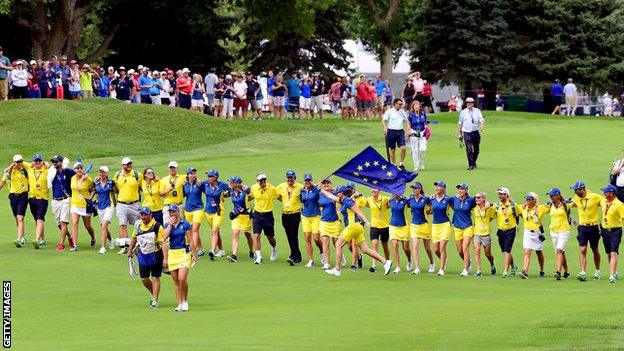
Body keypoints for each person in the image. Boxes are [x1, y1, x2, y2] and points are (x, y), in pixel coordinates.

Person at [320, 185, 393, 277]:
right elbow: (330, 196)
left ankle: (337, 269)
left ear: (342, 193)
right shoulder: (342, 200)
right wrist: (321, 189)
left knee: (338, 244)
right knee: (365, 249)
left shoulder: (349, 202)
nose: (336, 193)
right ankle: (385, 262)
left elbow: (359, 212)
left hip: (353, 226)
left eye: (338, 192)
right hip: (356, 227)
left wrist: (366, 222)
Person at [127, 207, 164, 308]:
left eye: (145, 215)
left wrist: (165, 256)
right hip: (143, 254)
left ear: (150, 215)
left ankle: (155, 299)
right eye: (142, 215)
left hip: (156, 254)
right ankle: (154, 294)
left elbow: (162, 242)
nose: (143, 217)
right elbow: (134, 238)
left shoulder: (157, 226)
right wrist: (130, 250)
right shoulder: (138, 225)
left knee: (155, 277)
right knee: (144, 278)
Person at [162, 205, 195, 311]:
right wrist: (165, 258)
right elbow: (164, 238)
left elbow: (190, 240)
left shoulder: (185, 224)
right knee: (176, 280)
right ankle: (179, 303)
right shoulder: (168, 225)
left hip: (184, 253)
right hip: (172, 253)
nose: (172, 214)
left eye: (173, 212)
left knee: (182, 279)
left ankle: (185, 301)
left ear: (178, 212)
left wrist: (193, 254)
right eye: (170, 212)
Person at [569, 181, 603, 281]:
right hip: (582, 227)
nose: (575, 192)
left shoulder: (594, 196)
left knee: (595, 249)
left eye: (576, 190)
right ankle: (583, 272)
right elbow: (570, 204)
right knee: (583, 249)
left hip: (593, 227)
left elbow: (605, 202)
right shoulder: (576, 198)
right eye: (574, 190)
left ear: (582, 189)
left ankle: (597, 271)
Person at [113, 157, 143, 254]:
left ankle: (139, 245)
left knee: (138, 225)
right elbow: (114, 187)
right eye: (127, 164)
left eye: (130, 163)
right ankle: (125, 247)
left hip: (134, 204)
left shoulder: (137, 175)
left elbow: (143, 187)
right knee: (122, 225)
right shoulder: (118, 175)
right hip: (121, 204)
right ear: (123, 166)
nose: (129, 165)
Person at [248, 173, 279, 264]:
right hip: (257, 215)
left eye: (264, 180)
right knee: (256, 235)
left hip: (268, 215)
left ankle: (274, 248)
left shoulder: (271, 188)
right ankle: (259, 256)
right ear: (257, 181)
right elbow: (250, 197)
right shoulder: (254, 188)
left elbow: (278, 197)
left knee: (270, 237)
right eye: (261, 180)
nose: (263, 182)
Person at [21, 153, 50, 248]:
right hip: (32, 199)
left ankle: (37, 240)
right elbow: (20, 161)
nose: (38, 162)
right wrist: (31, 164)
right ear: (33, 161)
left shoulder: (46, 170)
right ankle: (43, 239)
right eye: (36, 160)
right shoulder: (30, 168)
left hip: (42, 199)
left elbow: (51, 166)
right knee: (37, 220)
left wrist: (46, 163)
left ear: (42, 161)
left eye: (39, 160)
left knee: (40, 219)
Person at [1, 155, 30, 247]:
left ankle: (19, 239)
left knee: (20, 217)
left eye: (21, 161)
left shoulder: (26, 170)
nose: (20, 163)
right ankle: (23, 236)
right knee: (17, 218)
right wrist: (11, 166)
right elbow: (3, 182)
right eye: (17, 162)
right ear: (14, 162)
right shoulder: (10, 171)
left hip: (23, 196)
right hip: (13, 196)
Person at [518, 192, 549, 279]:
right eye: (526, 199)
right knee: (527, 251)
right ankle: (525, 271)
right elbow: (512, 206)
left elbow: (552, 207)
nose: (527, 201)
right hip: (527, 232)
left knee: (539, 252)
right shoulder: (523, 208)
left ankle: (542, 270)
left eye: (529, 199)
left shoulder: (541, 208)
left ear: (534, 200)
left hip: (537, 232)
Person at [276, 170, 304, 265]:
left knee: (293, 234)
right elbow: (276, 194)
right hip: (284, 214)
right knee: (289, 236)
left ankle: (293, 255)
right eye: (288, 177)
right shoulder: (281, 186)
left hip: (295, 214)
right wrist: (284, 201)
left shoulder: (300, 187)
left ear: (295, 178)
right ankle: (297, 256)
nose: (290, 179)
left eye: (291, 177)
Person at [48, 155, 75, 251]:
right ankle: (70, 236)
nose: (55, 163)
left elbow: (79, 173)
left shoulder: (68, 171)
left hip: (65, 200)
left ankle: (61, 243)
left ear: (61, 162)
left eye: (56, 161)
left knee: (64, 222)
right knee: (59, 224)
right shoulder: (52, 172)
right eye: (53, 162)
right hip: (55, 200)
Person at [407, 182, 435, 275]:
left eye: (415, 188)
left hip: (424, 225)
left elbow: (432, 208)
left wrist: (429, 211)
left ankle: (431, 262)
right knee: (415, 246)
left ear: (420, 189)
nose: (413, 190)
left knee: (427, 248)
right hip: (414, 225)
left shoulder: (426, 198)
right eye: (413, 188)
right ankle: (417, 268)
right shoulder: (410, 198)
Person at [599, 185, 624, 283]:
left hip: (615, 231)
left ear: (611, 193)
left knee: (614, 252)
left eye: (605, 192)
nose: (604, 193)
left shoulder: (619, 204)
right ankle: (615, 271)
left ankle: (612, 275)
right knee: (609, 253)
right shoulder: (603, 201)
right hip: (605, 231)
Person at [494, 187, 521, 278]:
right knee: (505, 251)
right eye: (499, 194)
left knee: (507, 251)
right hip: (500, 230)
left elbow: (520, 214)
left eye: (501, 194)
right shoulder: (497, 205)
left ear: (506, 195)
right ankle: (513, 265)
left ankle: (505, 271)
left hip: (511, 230)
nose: (500, 196)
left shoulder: (513, 205)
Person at [69, 161, 96, 252]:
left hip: (85, 205)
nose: (79, 169)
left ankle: (93, 238)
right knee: (75, 223)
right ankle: (74, 245)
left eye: (80, 168)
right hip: (74, 205)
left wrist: (90, 197)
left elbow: (93, 189)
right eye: (77, 168)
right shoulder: (72, 178)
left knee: (87, 226)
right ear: (74, 170)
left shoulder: (88, 179)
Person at [450, 183, 476, 276]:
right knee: (460, 251)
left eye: (462, 189)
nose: (460, 190)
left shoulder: (471, 200)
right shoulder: (453, 199)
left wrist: (489, 204)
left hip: (468, 226)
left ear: (466, 191)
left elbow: (481, 202)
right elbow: (443, 198)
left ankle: (465, 269)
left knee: (465, 247)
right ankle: (468, 262)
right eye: (458, 189)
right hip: (457, 227)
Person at [546, 188, 572, 280]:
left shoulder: (565, 204)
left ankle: (558, 271)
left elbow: (577, 203)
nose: (551, 197)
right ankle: (567, 272)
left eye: (552, 195)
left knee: (559, 251)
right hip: (553, 231)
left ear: (558, 195)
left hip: (564, 230)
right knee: (561, 252)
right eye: (550, 196)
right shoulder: (549, 205)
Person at [363, 188, 391, 273]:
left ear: (379, 190)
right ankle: (374, 265)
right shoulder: (368, 199)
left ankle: (387, 261)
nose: (373, 191)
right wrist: (358, 194)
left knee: (385, 246)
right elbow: (362, 202)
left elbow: (392, 202)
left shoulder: (385, 199)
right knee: (374, 244)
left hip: (384, 226)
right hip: (374, 226)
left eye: (375, 189)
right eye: (372, 189)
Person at [226, 176, 254, 262]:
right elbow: (224, 195)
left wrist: (248, 190)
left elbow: (252, 195)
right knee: (235, 234)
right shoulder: (231, 191)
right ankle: (234, 255)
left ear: (237, 184)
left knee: (248, 235)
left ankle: (251, 251)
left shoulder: (245, 191)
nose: (230, 184)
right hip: (236, 216)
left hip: (246, 216)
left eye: (232, 182)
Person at [202, 169, 228, 259]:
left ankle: (212, 250)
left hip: (219, 211)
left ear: (216, 177)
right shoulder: (205, 184)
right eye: (208, 176)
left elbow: (231, 189)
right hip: (208, 211)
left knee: (214, 231)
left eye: (211, 176)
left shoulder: (222, 185)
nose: (209, 178)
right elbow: (196, 183)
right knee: (216, 232)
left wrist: (225, 195)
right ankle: (221, 250)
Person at [318, 179, 342, 270]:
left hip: (335, 221)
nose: (326, 184)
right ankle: (327, 263)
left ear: (331, 185)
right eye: (324, 183)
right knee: (325, 241)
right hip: (324, 221)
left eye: (328, 183)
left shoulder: (336, 192)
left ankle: (339, 257)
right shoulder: (319, 194)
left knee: (336, 242)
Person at [300, 173, 323, 268]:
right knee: (307, 238)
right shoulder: (302, 191)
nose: (307, 182)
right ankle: (310, 260)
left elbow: (322, 199)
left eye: (309, 180)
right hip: (305, 216)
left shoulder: (317, 189)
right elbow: (301, 200)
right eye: (306, 180)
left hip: (315, 216)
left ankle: (322, 251)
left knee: (317, 238)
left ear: (311, 180)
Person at [430, 181, 452, 276]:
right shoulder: (432, 198)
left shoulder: (448, 199)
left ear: (443, 188)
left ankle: (441, 269)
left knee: (442, 246)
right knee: (436, 250)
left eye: (439, 186)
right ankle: (444, 259)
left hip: (445, 224)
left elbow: (457, 207)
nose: (437, 188)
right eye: (436, 186)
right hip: (435, 225)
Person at [182, 167, 205, 256]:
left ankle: (193, 251)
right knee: (192, 231)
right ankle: (201, 249)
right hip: (188, 210)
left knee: (194, 229)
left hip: (198, 209)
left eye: (194, 173)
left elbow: (209, 191)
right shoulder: (185, 184)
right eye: (191, 173)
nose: (193, 175)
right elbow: (182, 195)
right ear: (187, 175)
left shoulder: (200, 184)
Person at [456, 97, 484, 170]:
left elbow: (481, 120)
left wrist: (481, 126)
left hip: (475, 132)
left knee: (476, 150)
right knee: (469, 149)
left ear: (473, 104)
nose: (468, 104)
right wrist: (459, 133)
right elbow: (460, 123)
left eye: (470, 103)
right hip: (466, 132)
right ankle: (471, 165)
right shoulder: (463, 112)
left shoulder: (477, 111)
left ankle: (473, 162)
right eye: (467, 103)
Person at [472, 192, 496, 276]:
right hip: (476, 233)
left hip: (486, 234)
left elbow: (496, 206)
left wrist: (490, 204)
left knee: (488, 254)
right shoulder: (474, 208)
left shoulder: (489, 208)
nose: (476, 199)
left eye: (478, 197)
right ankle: (479, 270)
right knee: (477, 250)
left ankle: (492, 263)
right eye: (476, 197)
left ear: (483, 199)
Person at [382, 98, 410, 169]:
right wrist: (385, 128)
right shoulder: (389, 111)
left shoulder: (402, 112)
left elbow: (407, 121)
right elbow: (383, 121)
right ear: (395, 104)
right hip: (391, 131)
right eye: (399, 104)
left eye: (401, 104)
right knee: (392, 149)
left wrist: (408, 130)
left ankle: (401, 164)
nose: (401, 106)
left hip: (400, 131)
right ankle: (394, 164)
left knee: (403, 148)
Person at [94, 166, 116, 254]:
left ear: (107, 173)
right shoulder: (96, 182)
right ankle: (111, 240)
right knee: (104, 227)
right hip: (100, 207)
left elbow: (117, 190)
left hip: (109, 206)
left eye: (103, 172)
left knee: (103, 226)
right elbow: (92, 191)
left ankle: (103, 247)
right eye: (100, 172)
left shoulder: (111, 182)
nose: (101, 174)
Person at [388, 193, 412, 274]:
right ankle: (397, 267)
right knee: (394, 245)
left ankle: (409, 259)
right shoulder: (391, 201)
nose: (393, 194)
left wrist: (407, 198)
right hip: (393, 225)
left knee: (406, 247)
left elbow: (412, 204)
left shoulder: (405, 201)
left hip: (404, 226)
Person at [407, 101, 428, 171]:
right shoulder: (410, 115)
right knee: (415, 150)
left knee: (423, 149)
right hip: (414, 133)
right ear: (413, 107)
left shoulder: (423, 114)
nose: (416, 107)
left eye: (418, 105)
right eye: (415, 105)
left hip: (422, 133)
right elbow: (409, 124)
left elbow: (425, 122)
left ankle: (420, 162)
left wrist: (426, 126)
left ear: (419, 107)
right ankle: (416, 165)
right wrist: (409, 131)